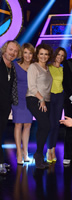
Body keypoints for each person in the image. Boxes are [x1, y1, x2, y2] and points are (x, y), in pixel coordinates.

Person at [26, 43, 53, 169]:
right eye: (41, 54)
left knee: (43, 127)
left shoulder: (47, 68)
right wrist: (41, 99)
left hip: (46, 101)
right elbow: (32, 87)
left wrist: (45, 100)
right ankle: (38, 155)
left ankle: (39, 156)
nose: (43, 56)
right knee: (46, 125)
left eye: (46, 54)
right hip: (34, 99)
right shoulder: (33, 66)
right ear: (37, 54)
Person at [12, 43, 35, 165]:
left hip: (30, 99)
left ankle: (25, 152)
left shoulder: (35, 66)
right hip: (17, 98)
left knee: (27, 125)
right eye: (25, 52)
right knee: (18, 125)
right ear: (22, 53)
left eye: (30, 53)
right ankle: (19, 153)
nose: (27, 55)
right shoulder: (15, 65)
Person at [0, 40, 21, 174]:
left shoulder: (12, 66)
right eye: (10, 50)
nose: (12, 53)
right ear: (5, 49)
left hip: (5, 104)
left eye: (15, 51)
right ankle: (0, 162)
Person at [46, 47, 67, 163]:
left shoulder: (63, 69)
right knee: (50, 125)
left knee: (57, 125)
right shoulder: (48, 67)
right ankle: (49, 150)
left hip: (60, 97)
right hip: (49, 97)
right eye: (59, 54)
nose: (60, 57)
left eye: (62, 56)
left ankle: (53, 149)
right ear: (55, 55)